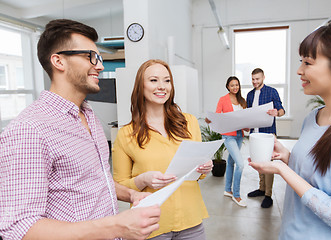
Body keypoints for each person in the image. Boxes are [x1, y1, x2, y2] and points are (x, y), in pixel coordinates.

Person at [0, 19, 161, 240]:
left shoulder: (88, 115)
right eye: (90, 57)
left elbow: (96, 180)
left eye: (99, 57)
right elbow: (20, 228)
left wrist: (131, 194)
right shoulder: (29, 130)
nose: (100, 66)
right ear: (58, 61)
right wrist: (116, 226)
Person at [250, 21, 331, 239]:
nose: (300, 70)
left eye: (308, 63)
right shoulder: (313, 117)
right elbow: (316, 179)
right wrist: (287, 158)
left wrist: (284, 171)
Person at [112, 59, 213, 240]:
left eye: (167, 80)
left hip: (191, 220)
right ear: (140, 87)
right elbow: (118, 186)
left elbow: (198, 174)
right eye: (153, 80)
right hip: (150, 225)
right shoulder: (126, 134)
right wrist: (143, 180)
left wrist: (204, 168)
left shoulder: (189, 122)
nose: (162, 86)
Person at [205, 76, 247, 207]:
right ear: (228, 87)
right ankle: (236, 195)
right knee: (240, 164)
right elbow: (218, 116)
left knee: (231, 161)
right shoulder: (223, 100)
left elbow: (245, 118)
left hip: (240, 134)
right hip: (228, 136)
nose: (235, 87)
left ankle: (228, 190)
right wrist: (210, 120)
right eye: (232, 85)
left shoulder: (243, 101)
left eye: (237, 85)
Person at [246, 68, 285, 208]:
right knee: (258, 162)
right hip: (254, 134)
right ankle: (261, 189)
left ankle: (268, 195)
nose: (255, 81)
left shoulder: (272, 91)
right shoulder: (250, 95)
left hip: (268, 134)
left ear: (263, 78)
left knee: (268, 164)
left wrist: (277, 113)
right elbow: (249, 113)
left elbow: (282, 110)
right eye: (253, 79)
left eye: (257, 79)